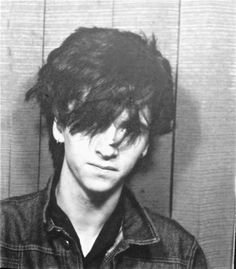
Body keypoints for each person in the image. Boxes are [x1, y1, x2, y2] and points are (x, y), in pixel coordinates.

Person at [0, 27, 207, 268]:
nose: (108, 149)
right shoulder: (5, 232)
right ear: (59, 125)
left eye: (131, 129)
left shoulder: (180, 255)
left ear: (146, 145)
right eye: (93, 121)